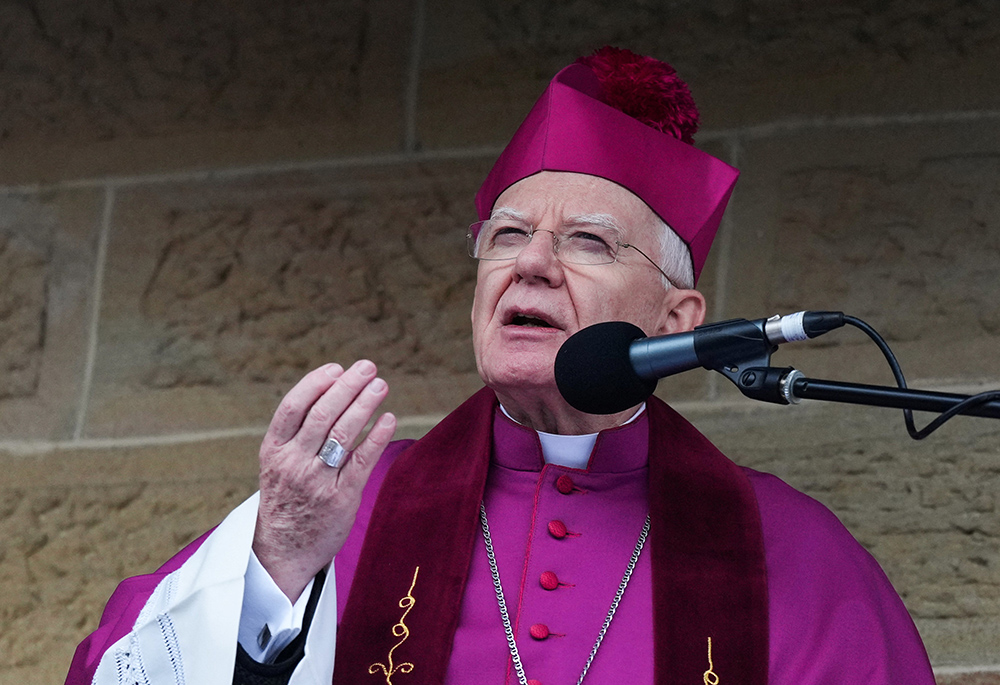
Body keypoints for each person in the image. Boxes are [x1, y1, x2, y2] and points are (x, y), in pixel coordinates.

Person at [67, 47, 935, 685]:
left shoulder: (792, 553)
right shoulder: (337, 509)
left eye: (588, 241)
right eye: (509, 235)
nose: (532, 263)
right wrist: (276, 570)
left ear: (678, 318)